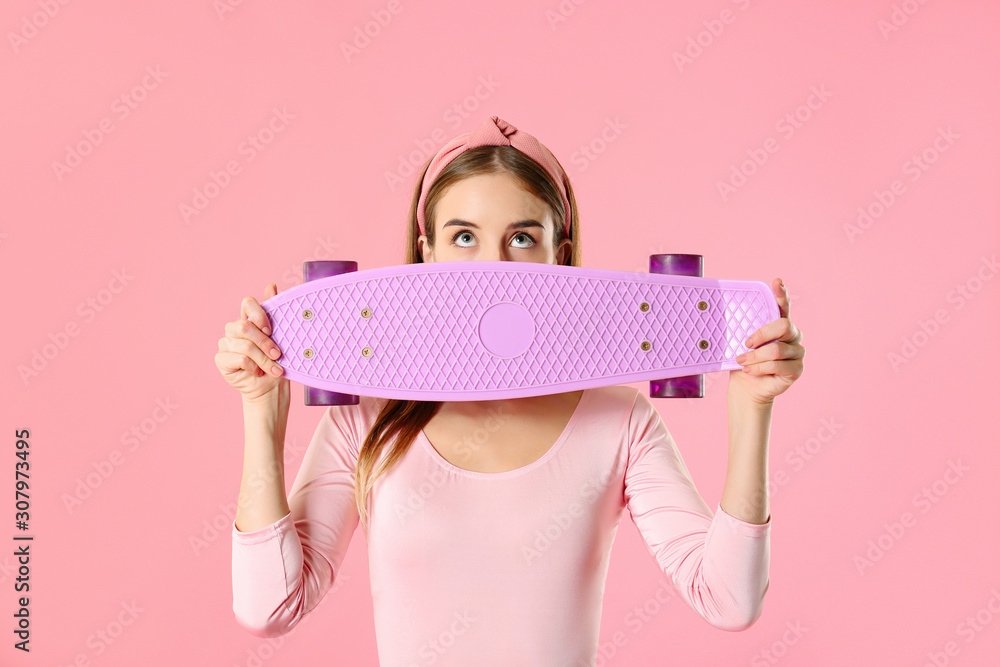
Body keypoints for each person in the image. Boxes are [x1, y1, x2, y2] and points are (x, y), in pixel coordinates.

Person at [217, 115, 805, 666]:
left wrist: (753, 408)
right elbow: (268, 609)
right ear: (426, 255)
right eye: (464, 237)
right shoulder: (366, 418)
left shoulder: (620, 418)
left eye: (521, 238)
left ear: (562, 257)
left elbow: (728, 601)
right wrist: (259, 412)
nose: (491, 267)